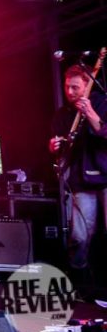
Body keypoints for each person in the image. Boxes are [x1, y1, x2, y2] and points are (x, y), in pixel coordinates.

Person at [49, 63, 107, 290]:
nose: (70, 92)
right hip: (80, 178)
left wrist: (90, 112)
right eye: (67, 87)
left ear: (88, 85)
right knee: (79, 236)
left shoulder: (102, 103)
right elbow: (59, 146)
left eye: (75, 87)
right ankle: (79, 281)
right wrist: (54, 146)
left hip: (105, 173)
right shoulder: (63, 114)